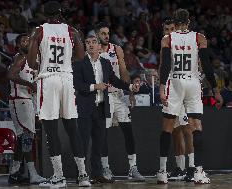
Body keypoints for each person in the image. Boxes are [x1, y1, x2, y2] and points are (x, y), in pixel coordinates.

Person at [27, 1, 90, 187]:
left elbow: (30, 61)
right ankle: (83, 175)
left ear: (44, 14)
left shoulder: (39, 30)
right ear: (61, 13)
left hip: (49, 79)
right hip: (67, 79)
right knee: (72, 128)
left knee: (51, 129)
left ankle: (59, 176)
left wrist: (42, 64)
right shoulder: (72, 31)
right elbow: (80, 55)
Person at [157, 9, 223, 184]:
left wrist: (162, 87)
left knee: (168, 127)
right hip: (193, 82)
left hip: (175, 82)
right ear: (188, 21)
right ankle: (199, 172)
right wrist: (216, 90)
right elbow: (207, 66)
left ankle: (162, 171)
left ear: (176, 23)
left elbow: (164, 67)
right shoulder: (199, 38)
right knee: (196, 126)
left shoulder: (167, 38)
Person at [73, 35, 140, 184]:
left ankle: (97, 174)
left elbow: (114, 80)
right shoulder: (79, 64)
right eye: (88, 42)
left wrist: (129, 87)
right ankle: (82, 174)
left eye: (93, 42)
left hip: (102, 108)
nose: (91, 45)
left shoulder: (105, 63)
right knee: (83, 142)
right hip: (85, 108)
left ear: (99, 47)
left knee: (98, 143)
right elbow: (77, 85)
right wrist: (94, 87)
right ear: (85, 46)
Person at [95, 22, 145, 181]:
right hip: (103, 96)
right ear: (96, 35)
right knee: (103, 134)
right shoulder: (93, 51)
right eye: (102, 33)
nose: (106, 36)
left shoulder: (116, 49)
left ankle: (133, 168)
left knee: (128, 131)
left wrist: (129, 91)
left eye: (107, 33)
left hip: (118, 95)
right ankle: (105, 168)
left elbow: (123, 71)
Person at [7, 33, 45, 184]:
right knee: (27, 136)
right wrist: (30, 85)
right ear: (18, 45)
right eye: (23, 41)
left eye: (28, 40)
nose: (27, 42)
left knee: (23, 138)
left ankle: (14, 172)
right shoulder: (20, 58)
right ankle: (32, 173)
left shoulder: (32, 61)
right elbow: (10, 75)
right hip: (19, 100)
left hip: (27, 100)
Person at [161, 19, 195, 182]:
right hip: (171, 92)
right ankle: (180, 168)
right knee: (175, 131)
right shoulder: (165, 45)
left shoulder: (184, 44)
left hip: (183, 90)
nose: (168, 31)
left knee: (187, 129)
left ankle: (192, 167)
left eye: (171, 28)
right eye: (166, 29)